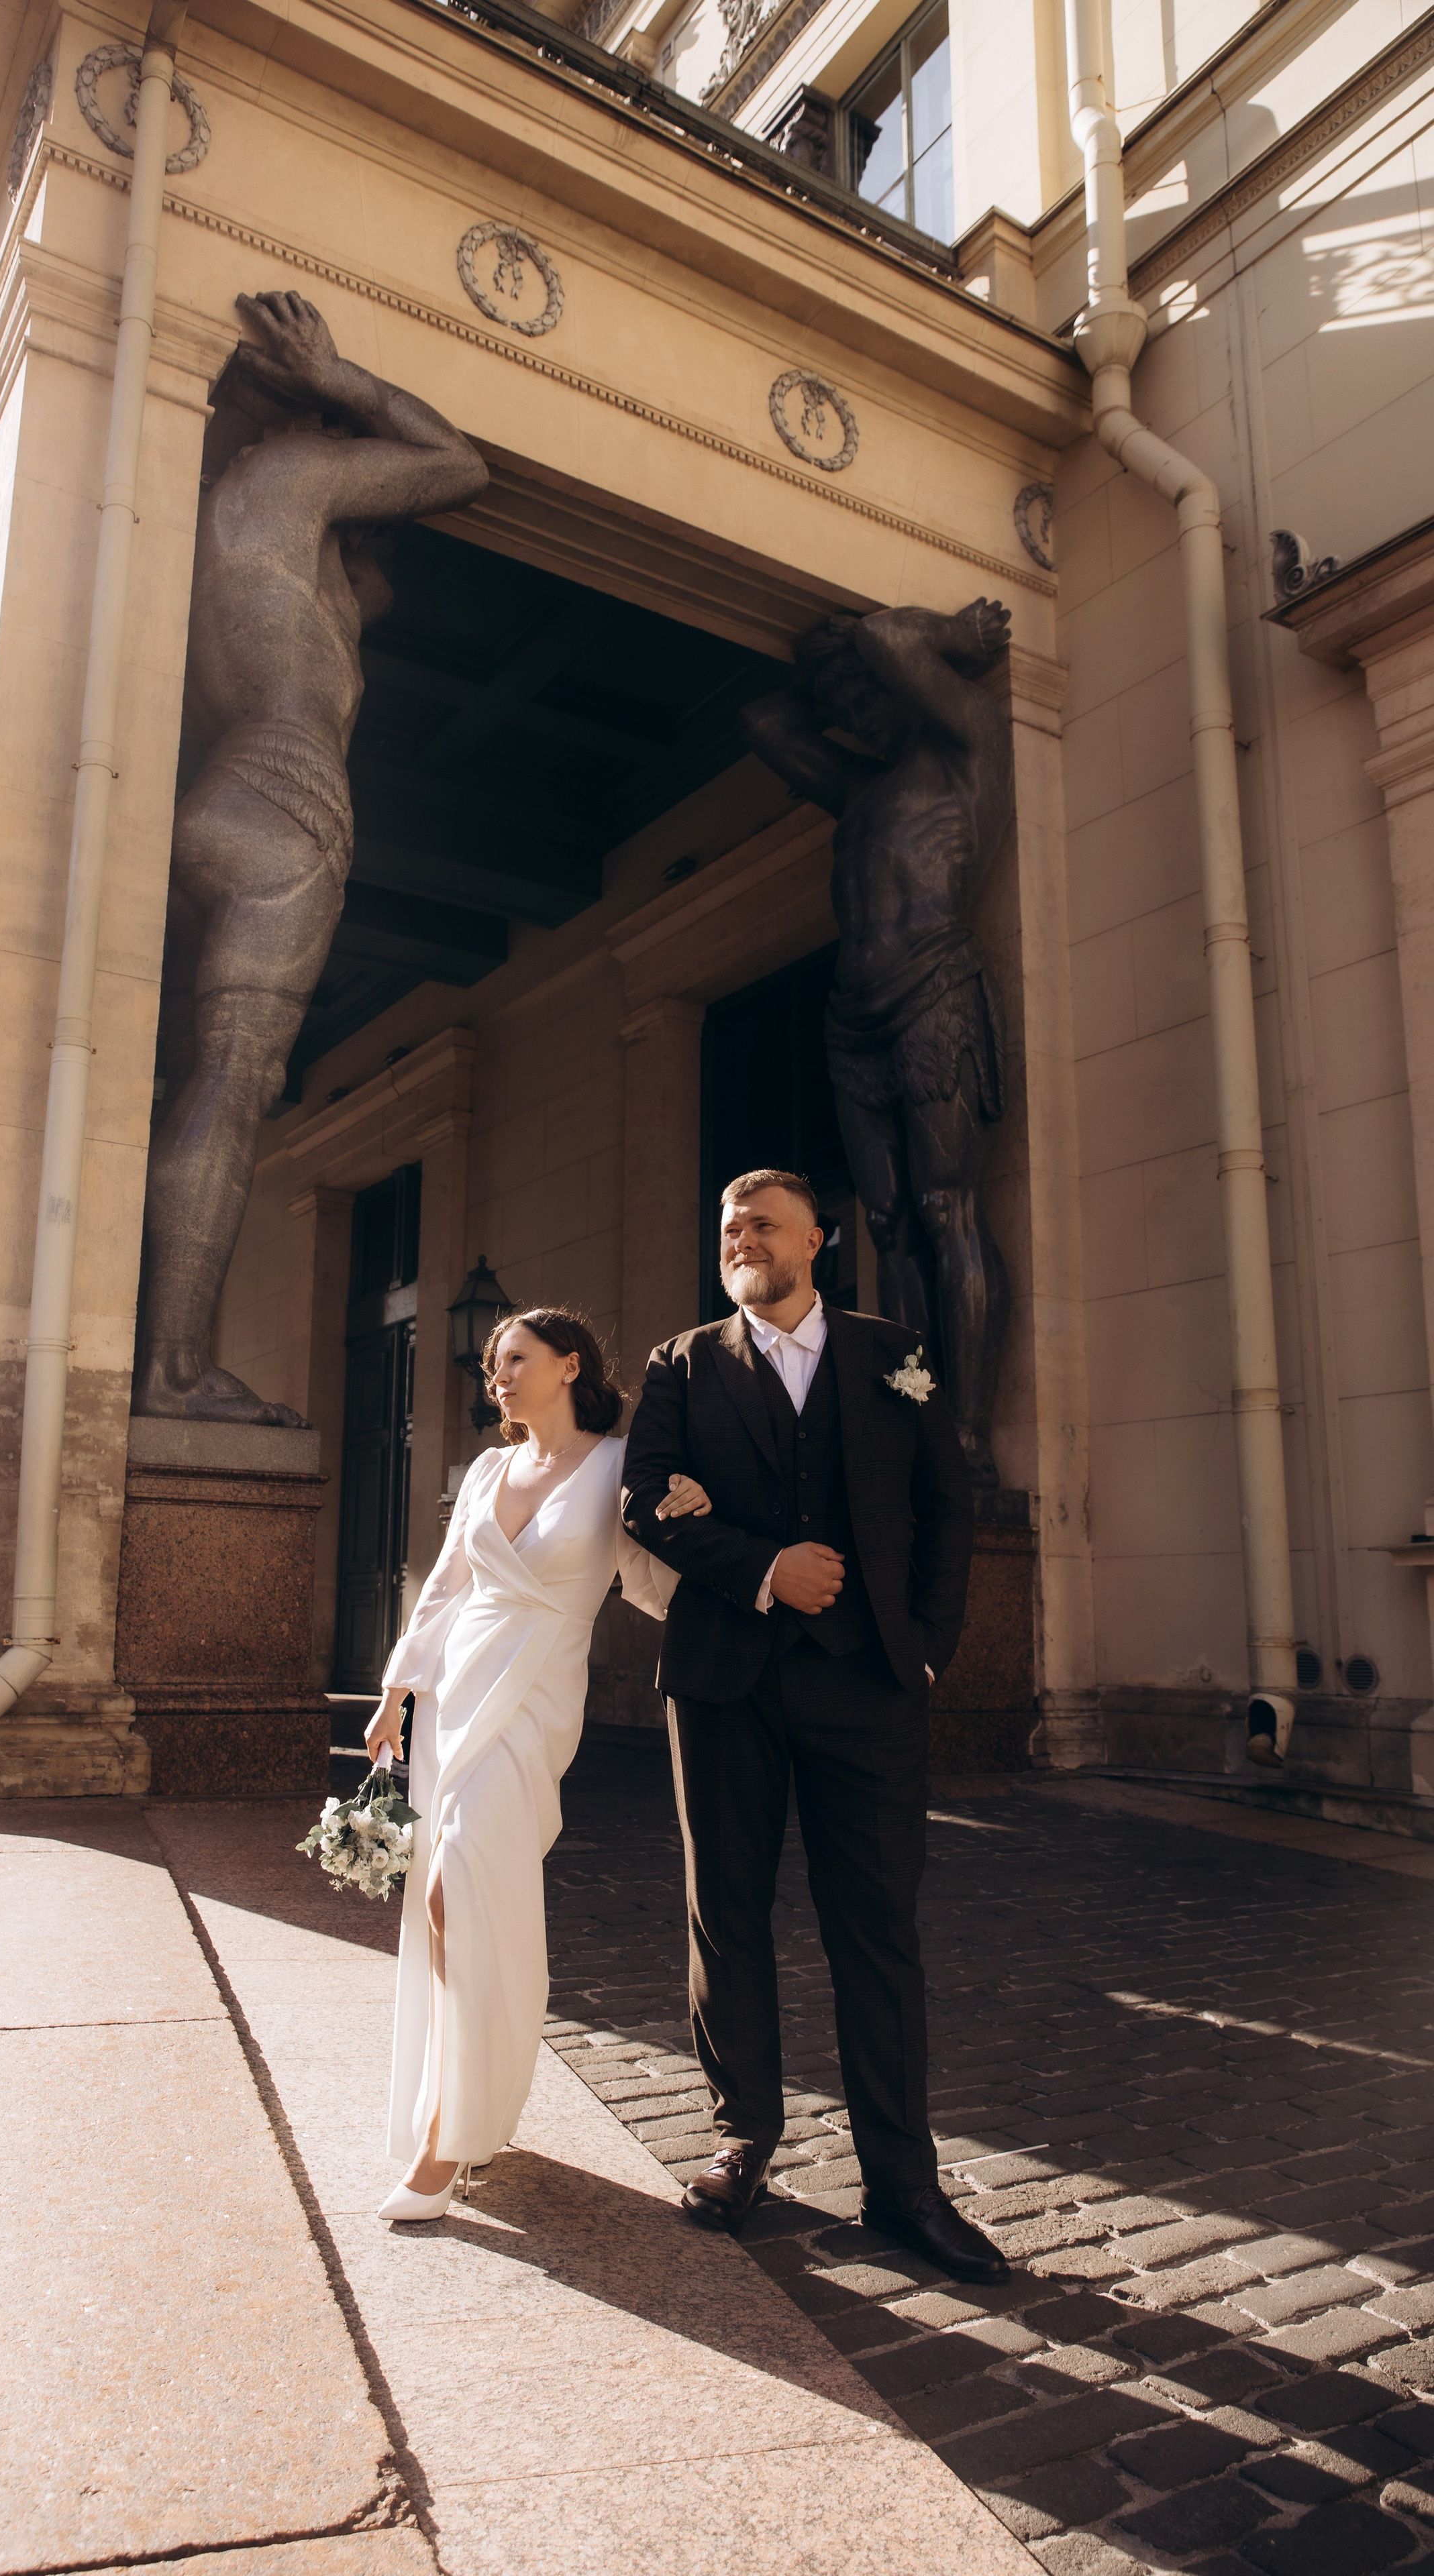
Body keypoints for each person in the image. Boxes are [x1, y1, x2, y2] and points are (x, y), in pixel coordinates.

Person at [621, 1169, 1006, 2284]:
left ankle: (903, 2184)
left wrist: (927, 1641)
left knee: (878, 1929)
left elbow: (949, 1497)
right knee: (726, 1913)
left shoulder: (898, 1352)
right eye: (729, 1227)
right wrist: (761, 1570)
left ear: (816, 1242)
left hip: (870, 1682)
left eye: (761, 1224)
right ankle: (745, 2141)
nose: (739, 1238)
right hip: (723, 1678)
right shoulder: (683, 1363)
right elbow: (648, 1494)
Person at [136, 291, 486, 1426]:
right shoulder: (287, 476)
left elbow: (353, 603)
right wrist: (344, 381)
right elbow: (455, 464)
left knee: (197, 1081)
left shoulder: (218, 529)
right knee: (235, 1081)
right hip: (289, 800)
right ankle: (173, 1369)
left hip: (218, 787)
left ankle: (152, 1351)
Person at [364, 1309, 711, 2220]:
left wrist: (699, 1523)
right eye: (491, 1364)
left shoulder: (617, 1465)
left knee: (466, 1885)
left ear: (570, 1366)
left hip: (533, 1696)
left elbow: (653, 1588)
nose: (497, 1376)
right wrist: (398, 1689)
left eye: (514, 1359)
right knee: (454, 1903)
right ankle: (461, 2111)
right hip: (453, 1696)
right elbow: (445, 1584)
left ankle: (451, 2137)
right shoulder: (487, 1468)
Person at [741, 602, 1013, 1487]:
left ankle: (966, 1434)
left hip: (934, 991)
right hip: (853, 1018)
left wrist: (944, 639)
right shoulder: (857, 790)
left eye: (866, 694)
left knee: (947, 1213)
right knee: (888, 1228)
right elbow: (763, 720)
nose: (855, 711)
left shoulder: (964, 746)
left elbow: (890, 640)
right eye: (841, 700)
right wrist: (825, 675)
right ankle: (914, 1410)